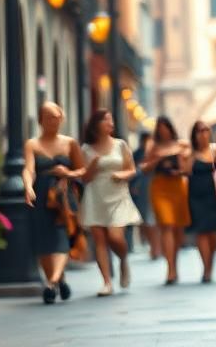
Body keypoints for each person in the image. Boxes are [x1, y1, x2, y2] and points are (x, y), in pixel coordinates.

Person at [23, 101, 86, 304]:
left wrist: (68, 172)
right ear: (41, 120)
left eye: (57, 117)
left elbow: (82, 170)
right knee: (43, 241)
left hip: (63, 194)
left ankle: (51, 283)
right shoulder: (32, 144)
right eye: (50, 117)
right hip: (41, 193)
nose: (54, 121)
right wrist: (28, 186)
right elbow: (29, 169)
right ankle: (61, 280)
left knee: (61, 237)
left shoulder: (70, 143)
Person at [79, 108, 142, 296]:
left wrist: (121, 174)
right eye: (106, 119)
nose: (110, 123)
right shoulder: (85, 149)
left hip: (118, 195)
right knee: (99, 240)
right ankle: (106, 282)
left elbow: (132, 169)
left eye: (111, 119)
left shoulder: (120, 145)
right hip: (95, 194)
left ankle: (123, 260)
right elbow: (84, 178)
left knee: (115, 237)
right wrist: (92, 166)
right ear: (96, 124)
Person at [141, 115, 191, 284]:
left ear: (170, 128)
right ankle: (170, 269)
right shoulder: (152, 145)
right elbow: (145, 168)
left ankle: (174, 265)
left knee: (178, 228)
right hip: (160, 187)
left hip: (178, 186)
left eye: (166, 127)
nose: (163, 131)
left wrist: (180, 162)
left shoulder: (182, 145)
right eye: (160, 128)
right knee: (166, 225)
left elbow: (187, 168)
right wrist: (158, 159)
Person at [183, 121, 216, 282]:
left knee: (213, 232)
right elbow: (186, 172)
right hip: (195, 196)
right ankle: (206, 269)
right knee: (201, 231)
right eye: (199, 131)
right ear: (194, 135)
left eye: (205, 130)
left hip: (214, 197)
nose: (203, 133)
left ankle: (210, 265)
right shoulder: (190, 153)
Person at [130, 132, 159, 259]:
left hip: (158, 187)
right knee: (146, 218)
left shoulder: (159, 151)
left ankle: (156, 247)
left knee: (153, 219)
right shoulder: (138, 154)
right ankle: (153, 246)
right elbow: (135, 170)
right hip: (143, 188)